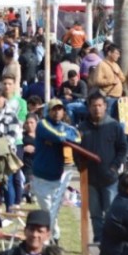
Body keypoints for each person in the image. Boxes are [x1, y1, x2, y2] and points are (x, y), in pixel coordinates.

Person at [78, 93, 128, 244]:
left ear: (105, 106)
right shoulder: (82, 128)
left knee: (110, 212)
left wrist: (114, 166)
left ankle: (111, 240)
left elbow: (123, 148)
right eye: (94, 106)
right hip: (89, 178)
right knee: (95, 213)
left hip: (109, 178)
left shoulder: (114, 126)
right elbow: (76, 150)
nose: (97, 109)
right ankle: (98, 239)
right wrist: (80, 167)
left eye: (100, 105)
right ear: (89, 107)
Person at [32, 99, 81, 242]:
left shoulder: (65, 126)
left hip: (57, 177)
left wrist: (62, 138)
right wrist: (62, 138)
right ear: (48, 111)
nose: (57, 112)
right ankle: (53, 238)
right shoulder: (42, 124)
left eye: (60, 109)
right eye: (54, 109)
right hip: (41, 177)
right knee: (48, 212)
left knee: (53, 212)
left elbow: (77, 137)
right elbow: (57, 136)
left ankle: (52, 238)